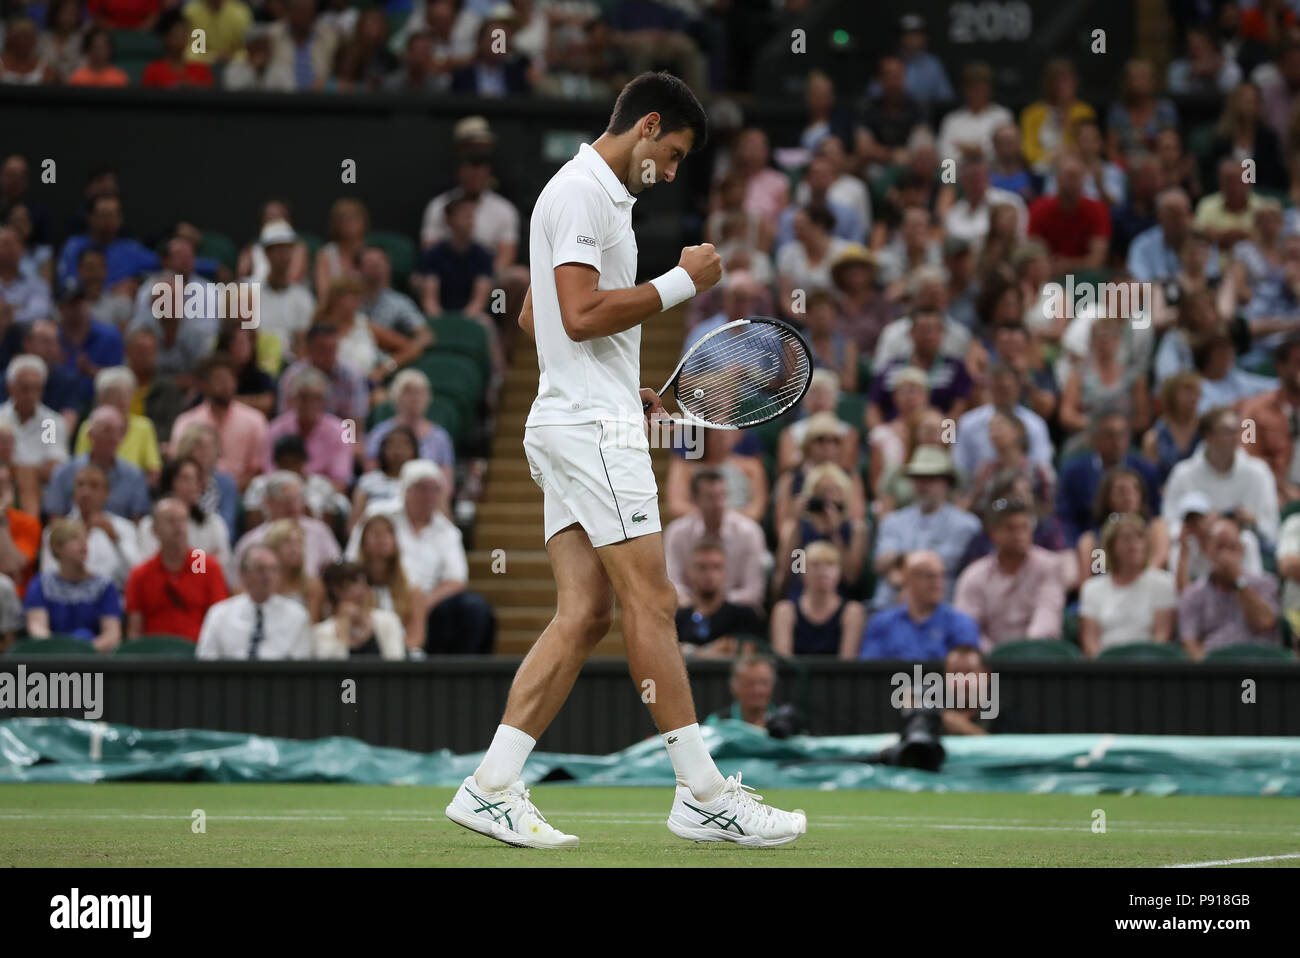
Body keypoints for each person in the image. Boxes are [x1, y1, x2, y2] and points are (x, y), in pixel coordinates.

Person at [445, 73, 805, 849]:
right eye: (672, 155)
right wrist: (683, 282)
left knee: (585, 614)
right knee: (654, 601)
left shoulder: (586, 195)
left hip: (575, 417)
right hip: (587, 429)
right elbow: (574, 315)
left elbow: (542, 314)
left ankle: (490, 786)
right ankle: (703, 793)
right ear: (646, 127)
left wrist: (613, 378)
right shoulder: (583, 192)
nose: (672, 172)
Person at [347, 461, 491, 654]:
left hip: (429, 601)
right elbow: (352, 559)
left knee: (475, 609)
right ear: (406, 489)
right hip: (378, 591)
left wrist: (422, 604)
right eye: (422, 488)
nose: (429, 496)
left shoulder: (448, 531)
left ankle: (456, 676)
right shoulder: (379, 514)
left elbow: (457, 580)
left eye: (435, 490)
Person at [953, 497, 1069, 648]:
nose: (1019, 534)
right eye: (1010, 528)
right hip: (989, 662)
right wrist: (994, 658)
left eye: (1024, 527)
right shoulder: (973, 575)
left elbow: (1047, 618)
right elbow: (968, 627)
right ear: (993, 534)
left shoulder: (1049, 566)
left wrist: (1024, 654)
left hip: (1038, 658)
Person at [1161, 406, 1280, 548]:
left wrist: (1253, 523)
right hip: (1196, 551)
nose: (1235, 437)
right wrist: (1197, 527)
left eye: (1236, 431)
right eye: (1227, 431)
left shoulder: (1259, 472)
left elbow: (1272, 530)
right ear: (1208, 435)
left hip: (1246, 551)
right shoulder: (1182, 473)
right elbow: (1169, 525)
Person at [124, 497, 230, 642]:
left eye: (182, 520)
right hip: (154, 656)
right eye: (170, 521)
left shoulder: (205, 565)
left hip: (198, 654)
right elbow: (134, 630)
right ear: (155, 530)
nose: (178, 526)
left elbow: (220, 618)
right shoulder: (141, 574)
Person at [663, 468, 769, 613]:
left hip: (736, 611)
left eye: (722, 496)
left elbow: (753, 592)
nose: (718, 504)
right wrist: (698, 604)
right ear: (695, 499)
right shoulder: (677, 532)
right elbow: (673, 583)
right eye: (710, 497)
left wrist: (713, 603)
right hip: (690, 610)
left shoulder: (749, 532)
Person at [1179, 517, 1281, 660]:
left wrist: (1238, 580)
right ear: (1207, 550)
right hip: (1215, 673)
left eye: (1232, 547)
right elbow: (1189, 644)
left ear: (1242, 550)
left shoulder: (1266, 583)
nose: (1226, 555)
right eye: (1220, 547)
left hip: (1259, 670)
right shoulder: (1192, 594)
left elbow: (1264, 621)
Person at [1078, 514, 1177, 657]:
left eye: (1139, 537)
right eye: (1126, 538)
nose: (1134, 544)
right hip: (1105, 669)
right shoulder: (1091, 588)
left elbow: (1162, 636)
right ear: (1111, 546)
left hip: (1149, 666)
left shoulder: (1163, 582)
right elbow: (1090, 642)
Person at [857, 550, 979, 661]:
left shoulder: (961, 623)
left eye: (941, 576)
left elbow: (966, 675)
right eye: (929, 576)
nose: (938, 583)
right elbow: (869, 669)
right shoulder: (881, 624)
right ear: (908, 580)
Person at [196, 545, 312, 660]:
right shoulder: (219, 614)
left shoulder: (297, 615)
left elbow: (302, 663)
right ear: (243, 574)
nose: (268, 576)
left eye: (273, 569)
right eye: (260, 569)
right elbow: (205, 658)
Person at [24, 518, 121, 651]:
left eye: (85, 538)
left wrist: (84, 650)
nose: (83, 543)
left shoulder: (104, 586)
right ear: (57, 547)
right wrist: (63, 650)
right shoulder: (41, 584)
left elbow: (112, 634)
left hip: (94, 661)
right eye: (75, 538)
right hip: (53, 659)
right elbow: (37, 628)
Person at [39, 463, 138, 590]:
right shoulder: (55, 531)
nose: (85, 492)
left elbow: (136, 575)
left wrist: (115, 538)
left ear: (107, 493)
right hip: (65, 597)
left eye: (94, 486)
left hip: (112, 599)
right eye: (80, 485)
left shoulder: (124, 528)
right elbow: (48, 575)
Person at [43, 406, 151, 521]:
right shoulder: (64, 471)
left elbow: (138, 522)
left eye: (119, 432)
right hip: (72, 533)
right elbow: (55, 518)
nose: (114, 438)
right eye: (106, 431)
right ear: (90, 434)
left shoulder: (134, 476)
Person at [770, 540, 865, 658]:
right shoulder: (785, 611)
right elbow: (784, 661)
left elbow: (848, 662)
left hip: (837, 676)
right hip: (796, 675)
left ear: (839, 572)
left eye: (830, 565)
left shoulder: (852, 611)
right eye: (815, 565)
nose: (823, 571)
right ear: (802, 572)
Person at [136, 457, 232, 572]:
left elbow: (222, 563)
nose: (193, 485)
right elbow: (151, 563)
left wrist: (194, 566)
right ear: (170, 482)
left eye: (196, 478)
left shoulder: (213, 523)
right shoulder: (149, 525)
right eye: (186, 479)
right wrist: (204, 559)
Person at [673, 540, 765, 659]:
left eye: (716, 567)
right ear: (689, 572)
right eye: (702, 567)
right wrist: (708, 652)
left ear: (725, 572)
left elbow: (752, 653)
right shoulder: (677, 619)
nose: (709, 574)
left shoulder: (744, 616)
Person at [353, 511, 426, 654]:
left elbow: (416, 637)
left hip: (400, 654)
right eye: (375, 533)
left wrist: (394, 653)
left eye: (387, 533)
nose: (381, 538)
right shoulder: (352, 590)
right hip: (363, 651)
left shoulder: (412, 590)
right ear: (363, 542)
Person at [312, 559, 406, 659]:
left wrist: (364, 622)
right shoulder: (321, 632)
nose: (360, 589)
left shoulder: (389, 621)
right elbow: (330, 670)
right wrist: (344, 624)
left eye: (364, 583)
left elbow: (397, 662)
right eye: (350, 584)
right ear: (336, 590)